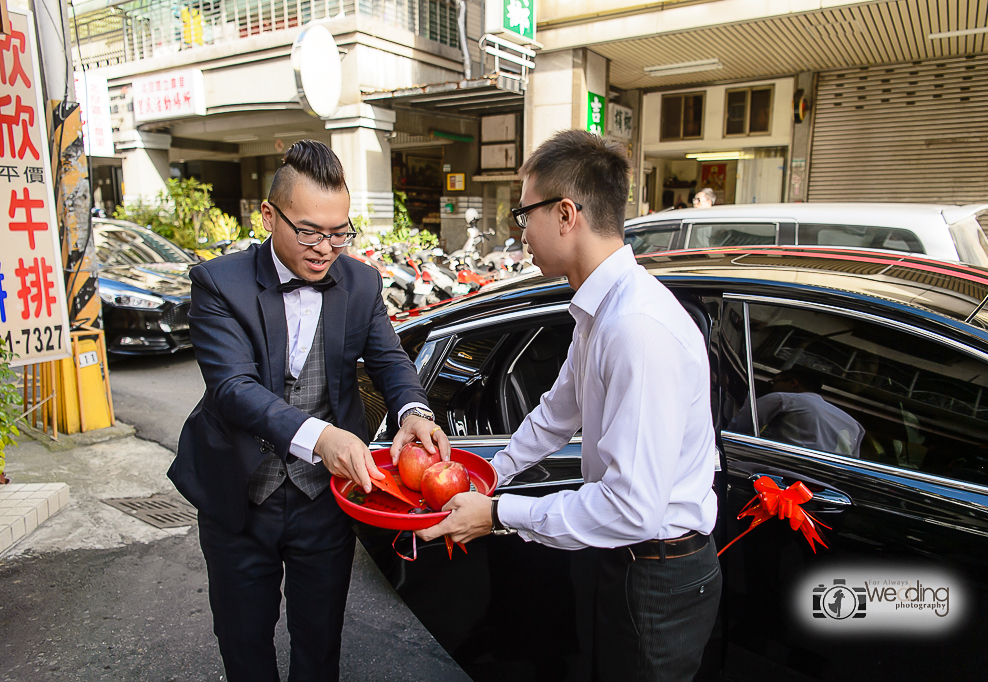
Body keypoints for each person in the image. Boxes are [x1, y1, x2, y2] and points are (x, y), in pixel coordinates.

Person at [418, 130, 721, 681]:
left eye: (523, 214)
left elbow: (632, 508)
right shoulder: (601, 310)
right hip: (629, 560)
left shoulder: (635, 328)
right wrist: (488, 473)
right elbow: (560, 411)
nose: (520, 233)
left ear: (564, 214)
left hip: (658, 572)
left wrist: (497, 514)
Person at [168, 140, 449, 682]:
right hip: (239, 493)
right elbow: (232, 387)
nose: (326, 248)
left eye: (339, 232)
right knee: (243, 642)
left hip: (325, 499)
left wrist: (414, 409)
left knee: (320, 643)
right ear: (269, 216)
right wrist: (322, 436)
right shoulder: (218, 284)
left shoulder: (362, 282)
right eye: (309, 231)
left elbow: (389, 359)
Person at [730, 368, 865, 457]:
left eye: (773, 382)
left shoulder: (784, 399)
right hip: (827, 484)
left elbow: (737, 427)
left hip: (785, 472)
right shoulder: (853, 424)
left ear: (793, 382)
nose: (772, 387)